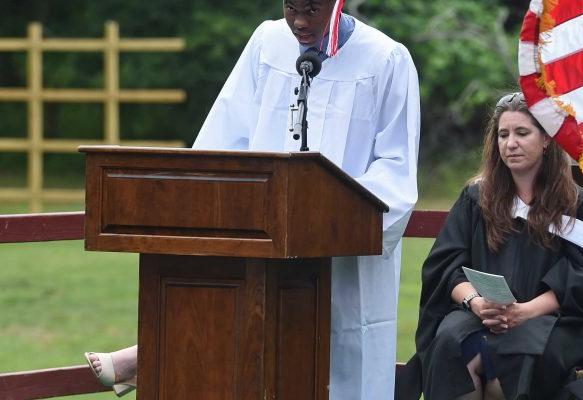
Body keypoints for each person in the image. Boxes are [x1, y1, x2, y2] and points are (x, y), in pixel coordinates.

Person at [85, 1, 421, 398]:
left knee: (341, 365)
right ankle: (154, 349)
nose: (298, 21)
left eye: (311, 9)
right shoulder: (267, 43)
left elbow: (395, 170)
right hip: (262, 240)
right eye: (290, 7)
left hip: (343, 260)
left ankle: (147, 353)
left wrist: (328, 220)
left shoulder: (386, 60)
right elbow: (224, 139)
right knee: (254, 346)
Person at [396, 92, 583, 400]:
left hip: (549, 318)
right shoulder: (477, 199)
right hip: (479, 311)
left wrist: (525, 311)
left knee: (523, 352)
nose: (510, 143)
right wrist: (476, 302)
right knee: (451, 341)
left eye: (522, 133)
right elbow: (446, 264)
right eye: (503, 135)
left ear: (546, 139)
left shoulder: (577, 207)